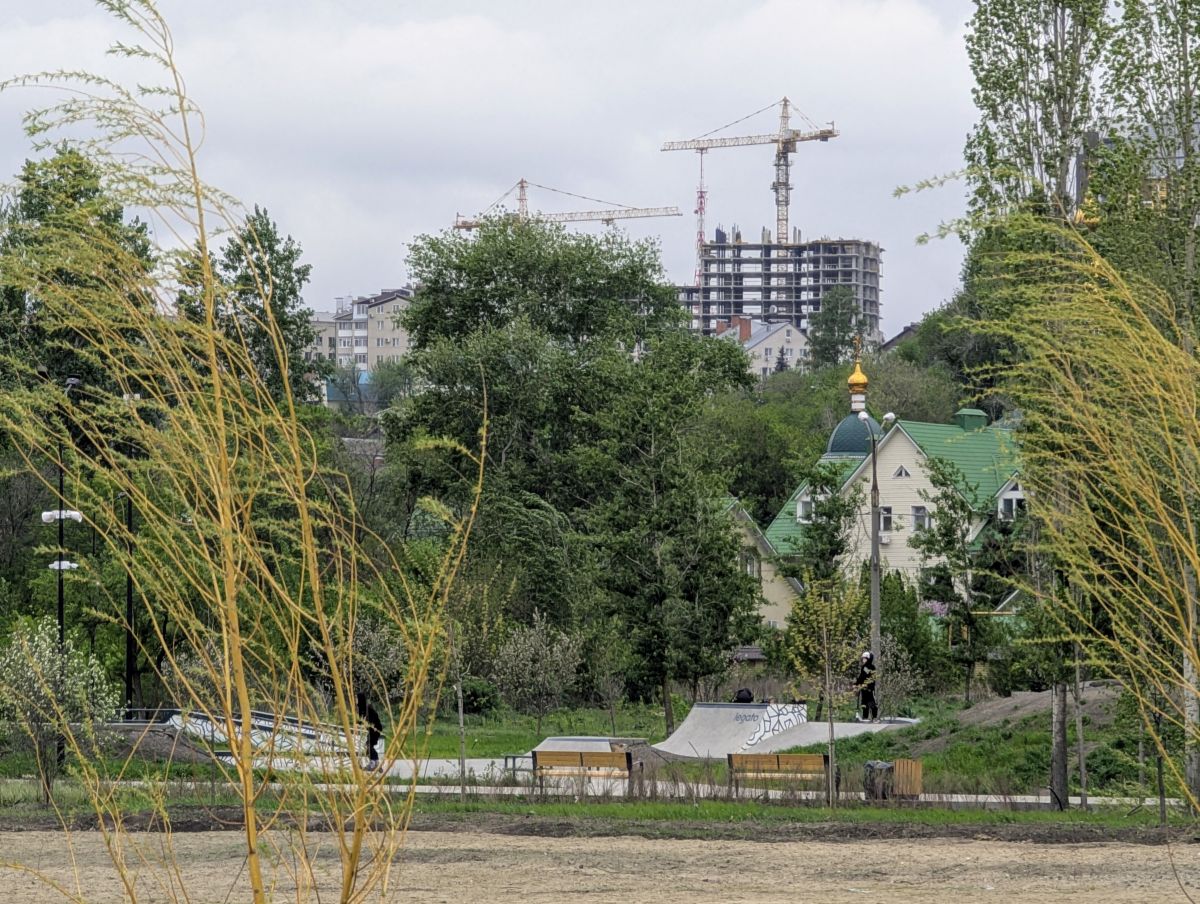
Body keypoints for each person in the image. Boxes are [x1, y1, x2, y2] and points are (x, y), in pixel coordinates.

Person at [355, 692, 383, 768]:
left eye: (357, 698)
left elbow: (373, 719)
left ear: (360, 699)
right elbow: (360, 720)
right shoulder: (361, 709)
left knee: (368, 745)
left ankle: (373, 762)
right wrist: (358, 724)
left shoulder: (368, 709)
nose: (355, 700)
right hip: (370, 729)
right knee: (368, 745)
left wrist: (367, 724)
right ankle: (376, 761)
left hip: (375, 729)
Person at [856, 651, 879, 722]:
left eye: (864, 658)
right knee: (864, 703)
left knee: (871, 702)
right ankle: (865, 717)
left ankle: (874, 717)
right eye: (862, 659)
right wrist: (857, 684)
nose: (863, 660)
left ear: (868, 659)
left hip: (869, 689)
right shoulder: (865, 667)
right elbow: (862, 677)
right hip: (864, 688)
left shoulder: (870, 667)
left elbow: (865, 676)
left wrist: (859, 683)